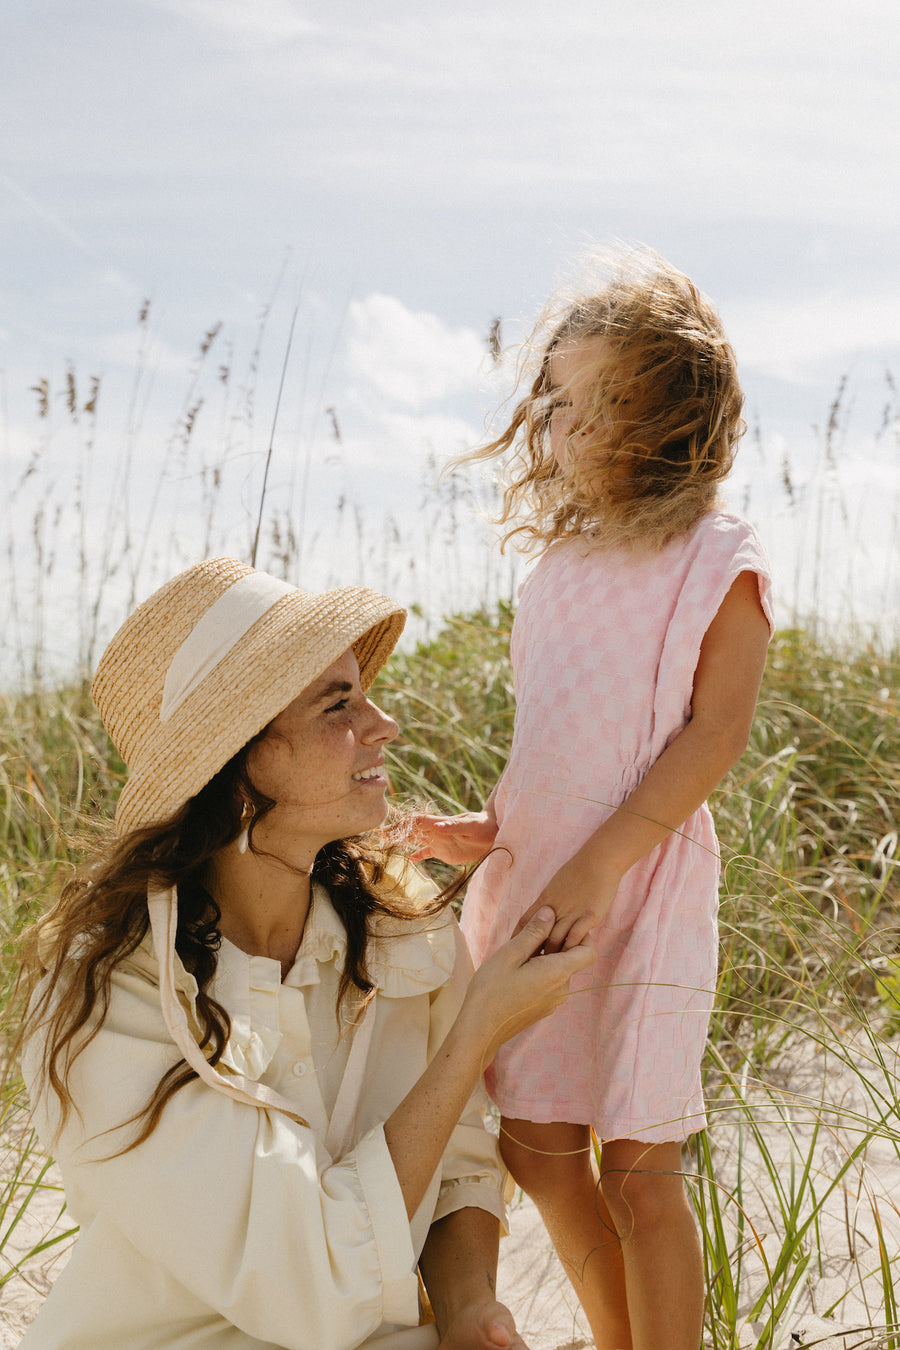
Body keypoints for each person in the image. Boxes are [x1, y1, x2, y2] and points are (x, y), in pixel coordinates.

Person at [16, 557, 595, 1350]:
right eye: (339, 704)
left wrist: (466, 1308)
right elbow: (318, 1291)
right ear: (242, 762)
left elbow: (459, 1160)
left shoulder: (402, 921)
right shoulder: (107, 1000)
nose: (383, 724)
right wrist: (475, 1035)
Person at [410, 248, 775, 1350]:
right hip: (539, 883)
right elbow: (553, 752)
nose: (563, 429)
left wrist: (603, 862)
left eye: (597, 404)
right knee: (534, 1145)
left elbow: (714, 733)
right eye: (556, 404)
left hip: (643, 883)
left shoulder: (718, 558)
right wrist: (485, 833)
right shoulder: (555, 570)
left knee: (645, 1165)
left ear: (675, 415)